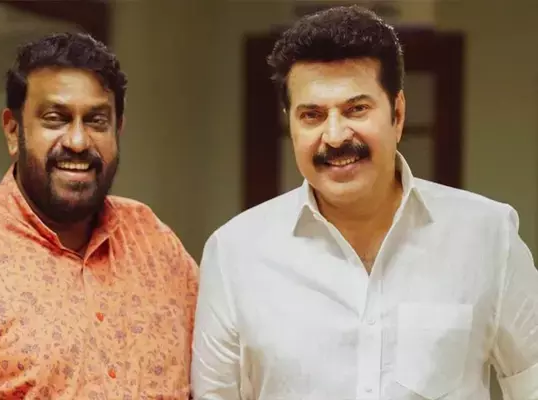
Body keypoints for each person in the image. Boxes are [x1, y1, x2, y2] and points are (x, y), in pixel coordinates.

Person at [191, 6, 538, 400]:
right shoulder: (234, 254)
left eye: (356, 109)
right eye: (312, 115)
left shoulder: (488, 236)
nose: (335, 136)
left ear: (398, 114)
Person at [0, 32, 198, 399]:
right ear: (13, 131)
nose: (78, 141)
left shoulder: (157, 247)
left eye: (96, 121)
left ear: (117, 130)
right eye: (55, 119)